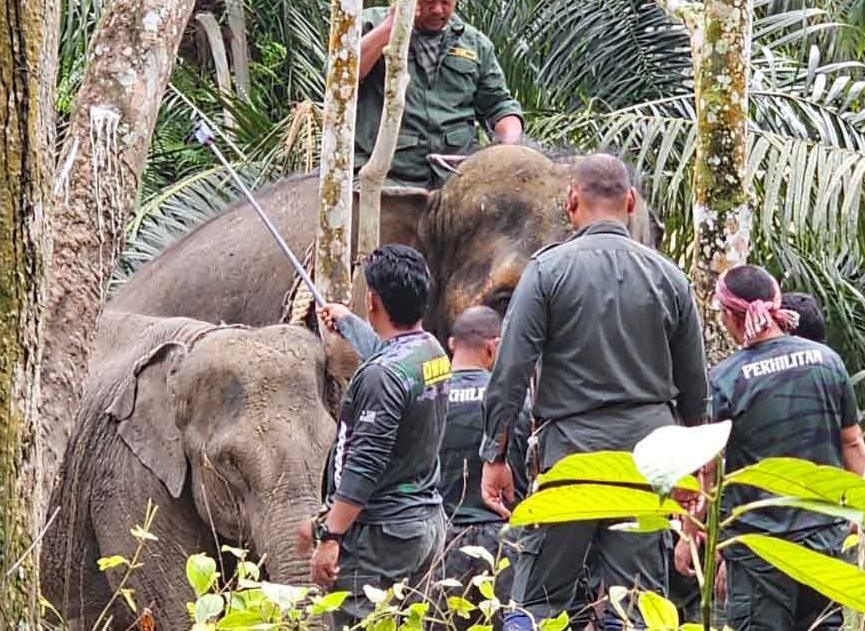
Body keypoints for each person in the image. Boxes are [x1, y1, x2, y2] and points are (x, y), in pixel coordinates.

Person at [479, 153, 710, 631]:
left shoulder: (547, 273)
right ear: (630, 202)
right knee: (638, 608)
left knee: (539, 602)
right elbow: (694, 389)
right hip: (649, 456)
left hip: (571, 455)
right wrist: (694, 470)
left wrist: (495, 452)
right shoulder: (670, 277)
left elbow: (511, 371)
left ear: (571, 202)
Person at [676, 265, 865, 631]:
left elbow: (709, 472)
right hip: (824, 542)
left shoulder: (725, 380)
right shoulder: (828, 362)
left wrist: (688, 537)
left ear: (733, 316)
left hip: (759, 556)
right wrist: (864, 517)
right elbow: (853, 443)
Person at [296, 244, 451, 628]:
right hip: (423, 525)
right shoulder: (431, 353)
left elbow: (363, 466)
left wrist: (329, 535)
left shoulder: (381, 378)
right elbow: (390, 358)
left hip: (380, 539)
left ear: (373, 300)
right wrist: (348, 323)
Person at [355, 0, 524, 189]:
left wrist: (509, 145)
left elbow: (499, 106)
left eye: (448, 0)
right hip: (387, 177)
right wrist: (390, 28)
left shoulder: (474, 43)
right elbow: (341, 78)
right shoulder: (370, 24)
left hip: (457, 180)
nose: (438, 10)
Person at [438, 306, 532, 626]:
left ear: (452, 344)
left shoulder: (428, 397)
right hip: (505, 543)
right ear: (494, 347)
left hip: (443, 542)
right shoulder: (513, 401)